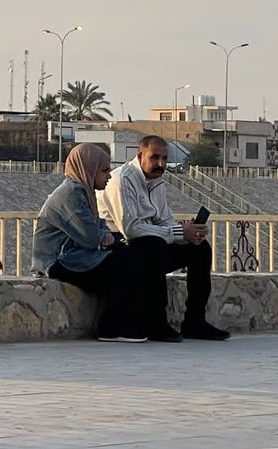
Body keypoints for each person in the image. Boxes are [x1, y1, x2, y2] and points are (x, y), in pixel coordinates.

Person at [98, 135, 230, 342]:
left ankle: (195, 322)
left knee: (199, 248)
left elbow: (164, 220)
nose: (161, 164)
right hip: (119, 247)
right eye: (155, 158)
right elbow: (131, 229)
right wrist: (178, 232)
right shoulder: (122, 180)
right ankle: (156, 322)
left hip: (148, 245)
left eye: (165, 159)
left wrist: (187, 231)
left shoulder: (156, 181)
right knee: (155, 246)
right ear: (140, 156)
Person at [32, 143, 149, 342]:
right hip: (56, 261)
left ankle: (127, 324)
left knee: (129, 254)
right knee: (122, 260)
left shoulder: (82, 191)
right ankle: (110, 328)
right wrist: (103, 237)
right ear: (89, 169)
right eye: (104, 170)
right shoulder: (70, 194)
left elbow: (99, 224)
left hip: (73, 256)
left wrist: (105, 236)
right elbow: (90, 236)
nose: (109, 176)